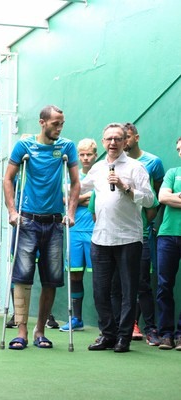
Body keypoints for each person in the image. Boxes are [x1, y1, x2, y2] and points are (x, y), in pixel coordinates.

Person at [3, 105, 78, 350]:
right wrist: (12, 211)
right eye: (55, 123)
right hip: (27, 221)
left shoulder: (66, 147)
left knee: (51, 280)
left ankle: (40, 330)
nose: (59, 128)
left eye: (62, 123)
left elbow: (76, 182)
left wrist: (71, 212)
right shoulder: (24, 146)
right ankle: (22, 331)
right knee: (22, 278)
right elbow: (8, 178)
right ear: (42, 122)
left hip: (55, 222)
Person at [83, 123, 154, 353]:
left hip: (129, 239)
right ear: (103, 142)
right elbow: (77, 186)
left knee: (127, 290)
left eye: (117, 139)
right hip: (101, 238)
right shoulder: (97, 169)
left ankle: (124, 336)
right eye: (108, 139)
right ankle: (108, 335)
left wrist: (125, 188)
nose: (112, 143)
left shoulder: (136, 168)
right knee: (100, 291)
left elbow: (150, 200)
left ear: (125, 142)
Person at [122, 122, 164, 343]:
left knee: (143, 282)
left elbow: (154, 198)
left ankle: (151, 329)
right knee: (121, 283)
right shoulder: (113, 164)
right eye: (120, 137)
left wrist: (146, 222)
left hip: (144, 234)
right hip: (119, 234)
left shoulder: (153, 163)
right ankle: (128, 326)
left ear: (136, 137)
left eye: (126, 137)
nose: (123, 141)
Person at [59, 139, 97, 332]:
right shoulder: (71, 175)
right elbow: (65, 199)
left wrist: (76, 198)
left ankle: (108, 321)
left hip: (95, 231)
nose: (85, 158)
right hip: (73, 230)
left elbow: (98, 199)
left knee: (101, 277)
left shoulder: (100, 173)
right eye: (81, 154)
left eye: (88, 154)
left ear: (95, 155)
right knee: (74, 275)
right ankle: (77, 319)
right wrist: (84, 198)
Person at [153, 137, 181, 350]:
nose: (180, 152)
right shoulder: (172, 173)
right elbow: (163, 197)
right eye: (178, 149)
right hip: (167, 235)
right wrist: (170, 196)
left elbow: (170, 197)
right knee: (164, 285)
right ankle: (166, 334)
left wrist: (175, 197)